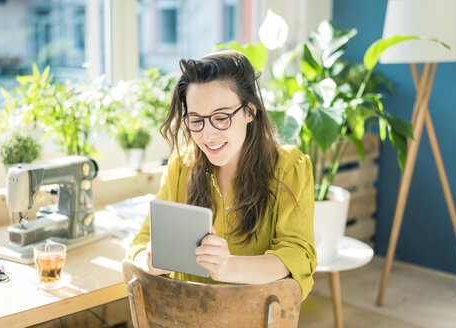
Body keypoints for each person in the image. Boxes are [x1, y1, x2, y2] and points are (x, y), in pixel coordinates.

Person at [126, 50, 317, 301]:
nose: (208, 135)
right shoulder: (181, 166)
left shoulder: (289, 167)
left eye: (221, 117)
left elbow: (297, 255)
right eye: (196, 120)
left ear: (250, 111)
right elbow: (142, 241)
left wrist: (227, 266)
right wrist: (150, 260)